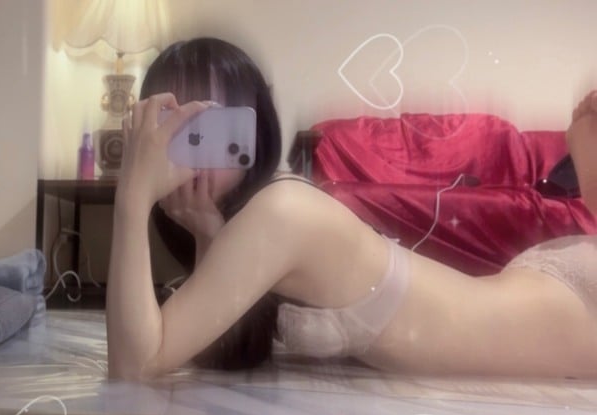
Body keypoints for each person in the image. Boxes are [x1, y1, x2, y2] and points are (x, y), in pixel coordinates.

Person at [106, 37, 597, 381]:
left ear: (252, 127)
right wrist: (206, 234)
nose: (196, 144)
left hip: (561, 312)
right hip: (543, 297)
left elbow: (135, 364)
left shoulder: (278, 212)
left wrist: (132, 195)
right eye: (176, 125)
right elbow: (226, 355)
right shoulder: (261, 219)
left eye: (212, 122)